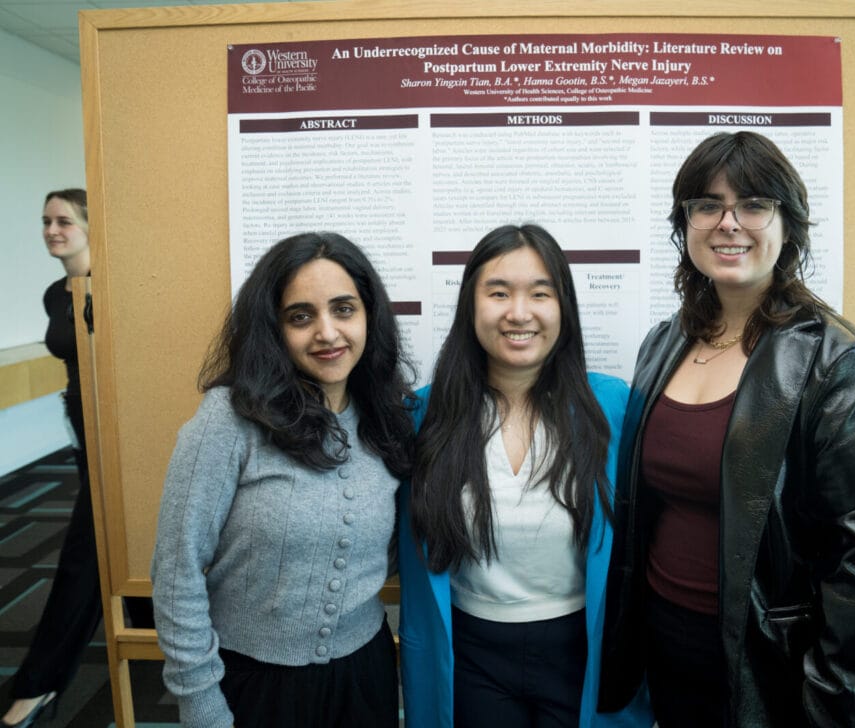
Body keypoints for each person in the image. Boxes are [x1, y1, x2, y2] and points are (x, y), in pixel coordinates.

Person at [597, 131, 855, 727]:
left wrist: (834, 703)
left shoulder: (842, 365)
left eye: (753, 204)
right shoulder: (664, 342)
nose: (728, 223)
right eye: (706, 205)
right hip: (668, 643)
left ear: (788, 223)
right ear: (685, 223)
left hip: (776, 669)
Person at [150, 232, 414, 728]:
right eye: (301, 316)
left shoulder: (390, 420)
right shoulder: (227, 422)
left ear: (369, 317)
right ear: (273, 329)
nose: (327, 332)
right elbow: (176, 571)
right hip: (252, 685)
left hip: (365, 675)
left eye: (343, 309)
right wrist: (199, 701)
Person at [399, 224, 652, 728]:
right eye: (498, 293)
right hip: (470, 655)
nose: (519, 313)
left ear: (564, 308)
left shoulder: (613, 406)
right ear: (471, 305)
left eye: (541, 293)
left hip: (583, 650)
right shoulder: (425, 416)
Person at [3, 189, 152, 728]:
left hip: (118, 433)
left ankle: (40, 682)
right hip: (81, 431)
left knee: (82, 558)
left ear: (92, 226)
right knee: (118, 541)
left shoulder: (110, 290)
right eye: (45, 221)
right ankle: (150, 631)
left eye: (64, 220)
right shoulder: (53, 293)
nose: (51, 230)